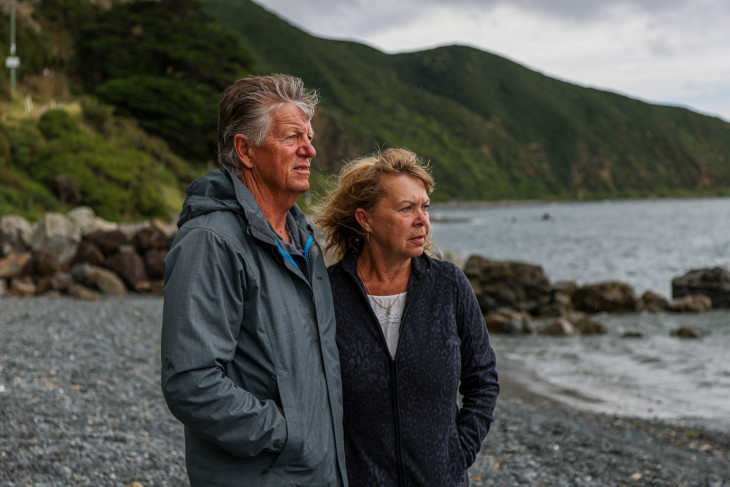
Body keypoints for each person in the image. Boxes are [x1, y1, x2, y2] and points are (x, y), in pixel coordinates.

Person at [160, 74, 348, 486]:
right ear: (245, 150)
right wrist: (286, 435)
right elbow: (191, 382)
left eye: (310, 137)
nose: (310, 150)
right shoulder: (211, 241)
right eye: (292, 137)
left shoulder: (304, 241)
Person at [314, 148, 499, 487]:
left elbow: (483, 378)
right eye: (406, 208)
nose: (422, 220)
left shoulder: (448, 285)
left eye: (424, 207)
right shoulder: (329, 293)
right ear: (365, 219)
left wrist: (457, 454)